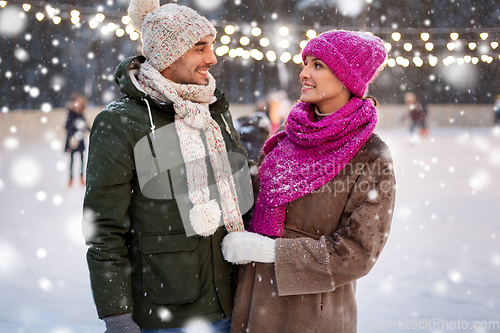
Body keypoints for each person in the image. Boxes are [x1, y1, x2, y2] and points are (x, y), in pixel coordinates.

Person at [83, 1, 252, 332]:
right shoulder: (120, 122)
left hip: (234, 300)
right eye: (199, 48)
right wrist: (116, 314)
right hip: (167, 312)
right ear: (167, 55)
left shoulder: (213, 109)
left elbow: (242, 189)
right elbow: (103, 227)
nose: (212, 58)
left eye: (211, 46)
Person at [221, 30, 397, 333]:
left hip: (310, 316)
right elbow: (254, 199)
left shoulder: (371, 155)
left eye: (317, 65)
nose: (303, 73)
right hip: (252, 303)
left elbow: (358, 252)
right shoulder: (289, 137)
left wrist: (272, 253)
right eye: (305, 63)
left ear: (346, 78)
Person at [64, 92, 90, 186]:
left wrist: (90, 130)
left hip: (80, 140)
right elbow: (67, 126)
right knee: (72, 160)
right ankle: (71, 178)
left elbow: (85, 125)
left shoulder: (81, 114)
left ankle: (81, 177)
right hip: (73, 140)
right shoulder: (71, 114)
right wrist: (74, 134)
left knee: (82, 160)